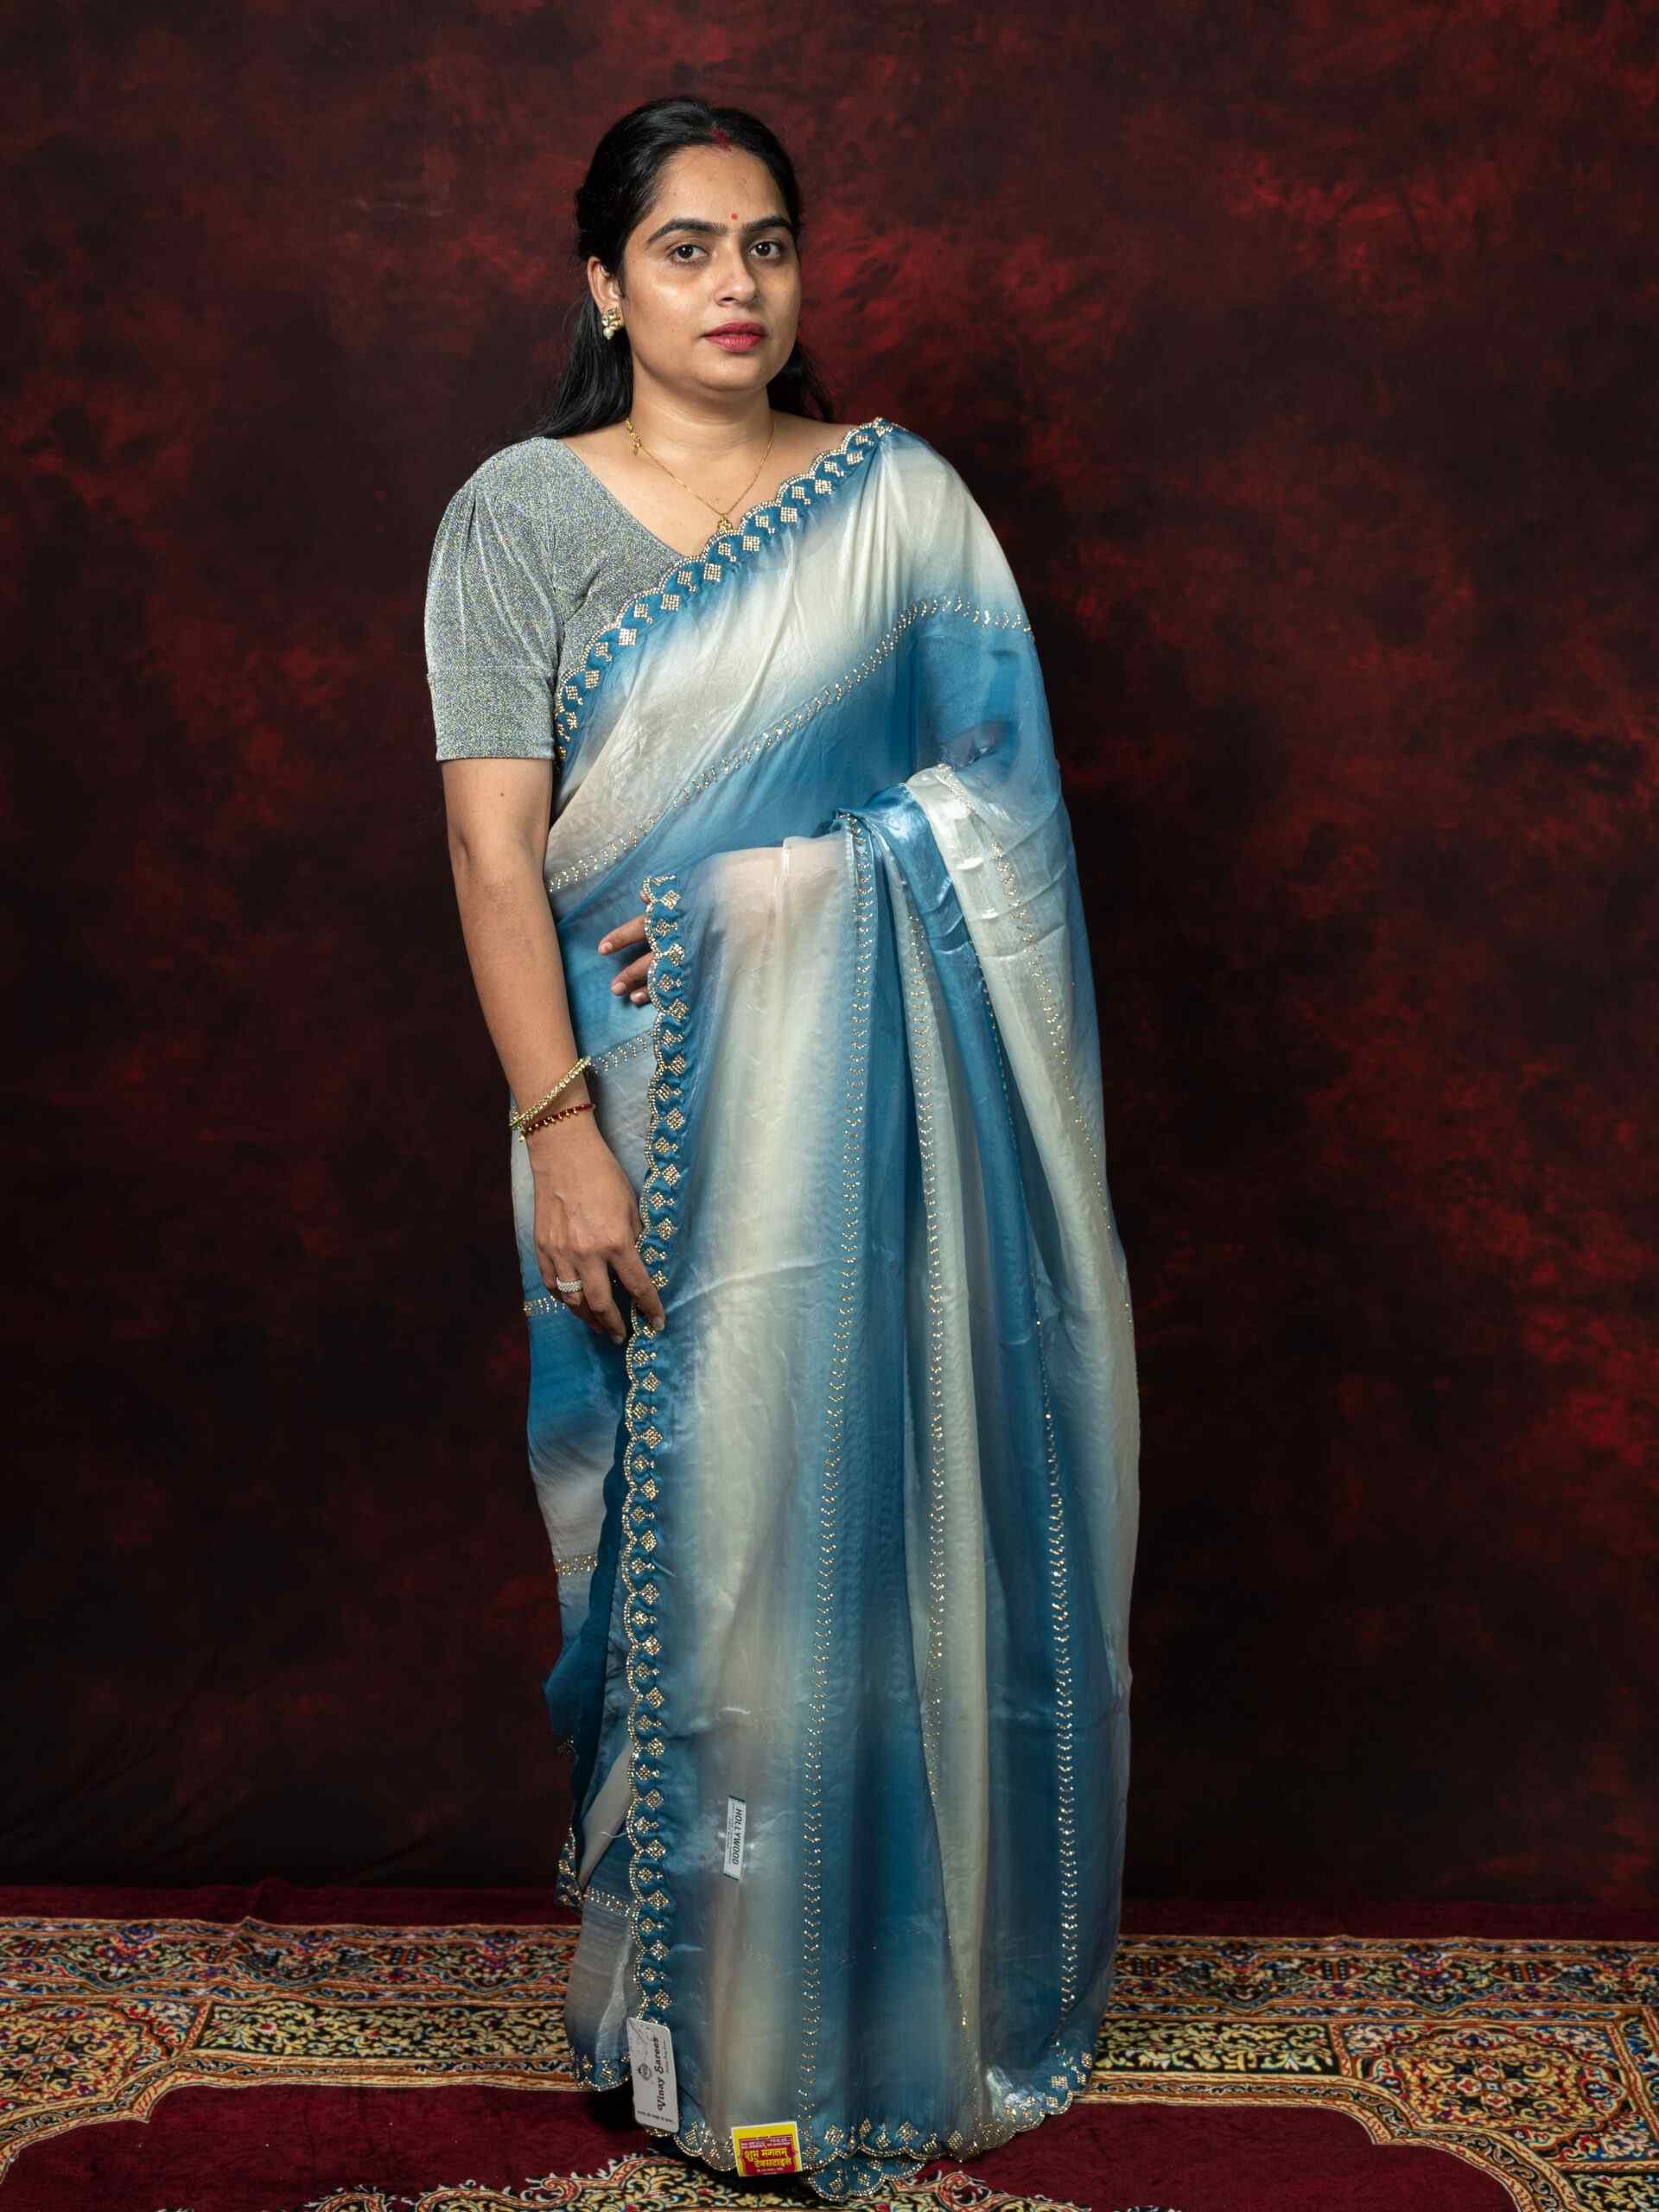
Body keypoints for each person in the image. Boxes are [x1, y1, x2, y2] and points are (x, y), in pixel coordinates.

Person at [423, 92, 1141, 2206]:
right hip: (627, 1116)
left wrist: (786, 898)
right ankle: (692, 2017)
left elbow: (1003, 820)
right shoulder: (519, 516)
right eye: (684, 248)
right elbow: (489, 849)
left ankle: (864, 2012)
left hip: (878, 1147)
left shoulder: (901, 509)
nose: (735, 286)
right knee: (678, 1566)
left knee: (863, 1543)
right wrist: (560, 1130)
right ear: (602, 283)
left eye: (767, 244)